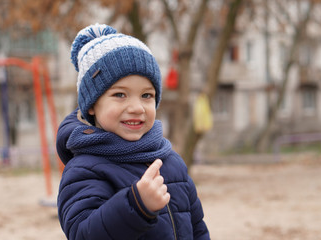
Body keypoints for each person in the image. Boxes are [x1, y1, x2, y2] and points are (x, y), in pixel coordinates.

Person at [56, 23, 210, 240]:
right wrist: (136, 206)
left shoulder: (171, 161)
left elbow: (197, 227)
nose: (137, 108)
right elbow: (83, 234)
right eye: (120, 95)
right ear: (91, 105)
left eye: (146, 95)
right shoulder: (84, 169)